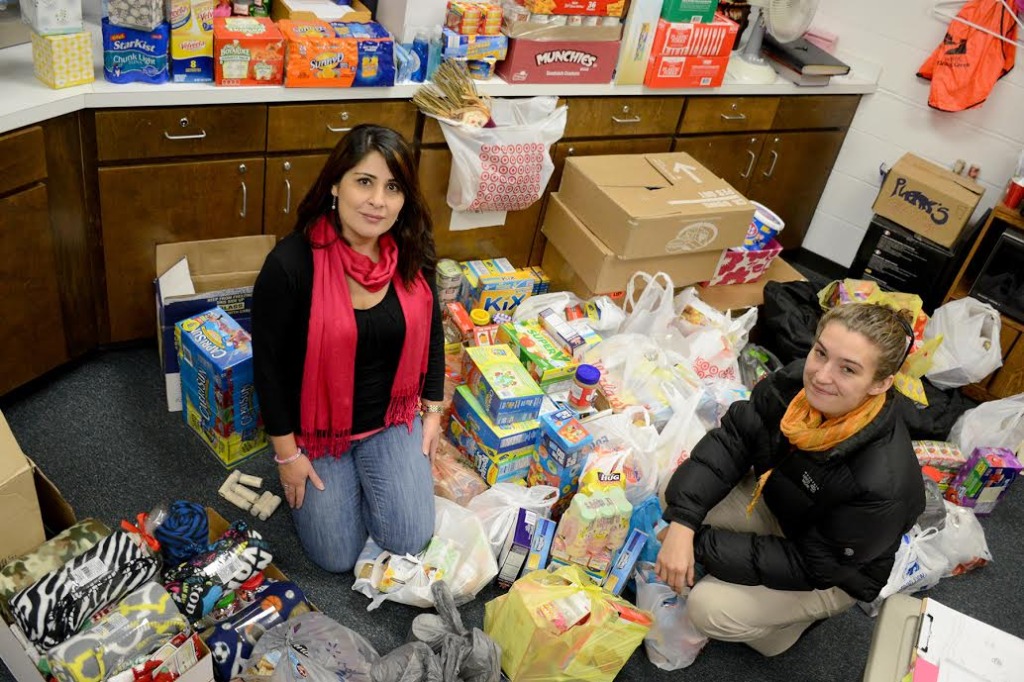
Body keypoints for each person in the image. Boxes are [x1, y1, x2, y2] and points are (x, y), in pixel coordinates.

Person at [657, 303, 925, 656]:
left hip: (832, 571)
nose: (821, 376)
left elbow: (812, 564)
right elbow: (736, 438)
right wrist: (684, 524)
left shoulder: (882, 484)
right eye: (821, 353)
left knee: (709, 608)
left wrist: (699, 544)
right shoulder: (796, 386)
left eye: (848, 369)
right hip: (783, 506)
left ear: (880, 383)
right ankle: (744, 578)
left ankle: (781, 636)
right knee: (673, 496)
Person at [252, 124, 443, 573]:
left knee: (410, 537)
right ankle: (344, 480)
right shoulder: (290, 265)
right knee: (335, 557)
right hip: (317, 431)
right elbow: (268, 370)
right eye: (364, 181)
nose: (378, 200)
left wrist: (432, 410)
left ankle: (369, 476)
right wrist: (287, 456)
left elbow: (432, 330)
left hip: (389, 420)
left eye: (392, 187)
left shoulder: (412, 252)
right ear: (335, 185)